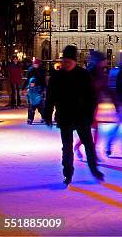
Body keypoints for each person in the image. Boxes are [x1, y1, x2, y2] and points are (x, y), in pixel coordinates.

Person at [44, 45, 103, 185]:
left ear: (75, 61)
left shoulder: (84, 75)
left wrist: (89, 114)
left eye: (69, 61)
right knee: (67, 146)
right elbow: (50, 97)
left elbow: (92, 97)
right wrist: (47, 113)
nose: (66, 64)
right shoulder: (56, 77)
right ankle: (68, 174)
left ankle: (94, 169)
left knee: (89, 144)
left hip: (81, 117)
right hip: (65, 117)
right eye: (64, 61)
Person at [74, 51, 107, 161]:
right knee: (90, 129)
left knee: (92, 129)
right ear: (98, 61)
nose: (106, 62)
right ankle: (87, 150)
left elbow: (104, 87)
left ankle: (81, 148)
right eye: (103, 60)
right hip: (87, 105)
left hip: (94, 104)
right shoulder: (90, 72)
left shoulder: (100, 72)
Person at [24, 58, 47, 124]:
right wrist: (23, 87)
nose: (35, 65)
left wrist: (44, 88)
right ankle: (30, 118)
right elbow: (27, 79)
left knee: (41, 106)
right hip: (32, 89)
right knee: (31, 106)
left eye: (36, 64)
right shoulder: (30, 70)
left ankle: (43, 117)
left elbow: (43, 80)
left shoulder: (41, 70)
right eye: (34, 64)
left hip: (39, 88)